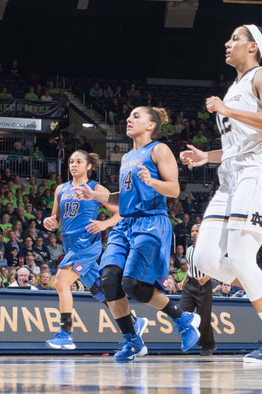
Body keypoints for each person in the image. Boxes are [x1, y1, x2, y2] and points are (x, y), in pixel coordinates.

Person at [180, 25, 262, 362]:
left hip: (260, 170)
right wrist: (207, 156)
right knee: (202, 260)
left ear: (252, 47)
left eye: (235, 38)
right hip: (232, 173)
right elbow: (238, 143)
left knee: (241, 255)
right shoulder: (233, 88)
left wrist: (229, 111)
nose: (227, 42)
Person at [79, 106, 200, 362]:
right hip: (125, 225)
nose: (129, 119)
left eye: (136, 116)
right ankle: (133, 341)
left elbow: (174, 190)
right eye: (129, 116)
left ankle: (184, 320)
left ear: (150, 125)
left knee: (132, 285)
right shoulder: (127, 158)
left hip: (150, 222)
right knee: (109, 281)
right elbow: (120, 198)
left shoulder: (159, 150)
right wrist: (95, 195)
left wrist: (152, 182)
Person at [42, 150, 133, 350]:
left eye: (79, 161)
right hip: (69, 243)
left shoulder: (95, 188)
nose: (74, 165)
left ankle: (65, 334)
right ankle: (133, 322)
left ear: (89, 166)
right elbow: (56, 221)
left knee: (61, 281)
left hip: (86, 242)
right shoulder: (60, 189)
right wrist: (49, 222)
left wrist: (104, 224)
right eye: (71, 162)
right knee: (100, 290)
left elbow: (122, 212)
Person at [178, 223, 217, 356]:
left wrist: (206, 278)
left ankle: (209, 345)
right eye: (192, 231)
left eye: (197, 231)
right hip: (190, 284)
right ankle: (193, 338)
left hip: (204, 285)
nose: (194, 233)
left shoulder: (209, 249)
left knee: (204, 319)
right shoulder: (189, 249)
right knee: (182, 313)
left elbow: (217, 267)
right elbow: (190, 269)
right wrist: (183, 281)